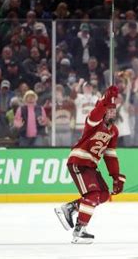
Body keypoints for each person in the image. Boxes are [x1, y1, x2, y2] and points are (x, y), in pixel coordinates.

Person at [54, 85, 125, 244]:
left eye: (114, 109)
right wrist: (106, 99)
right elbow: (95, 113)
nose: (112, 112)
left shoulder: (114, 131)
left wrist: (115, 176)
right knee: (92, 195)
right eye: (110, 109)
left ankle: (70, 208)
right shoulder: (94, 123)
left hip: (91, 166)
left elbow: (110, 155)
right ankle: (79, 230)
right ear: (105, 110)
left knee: (104, 195)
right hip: (79, 161)